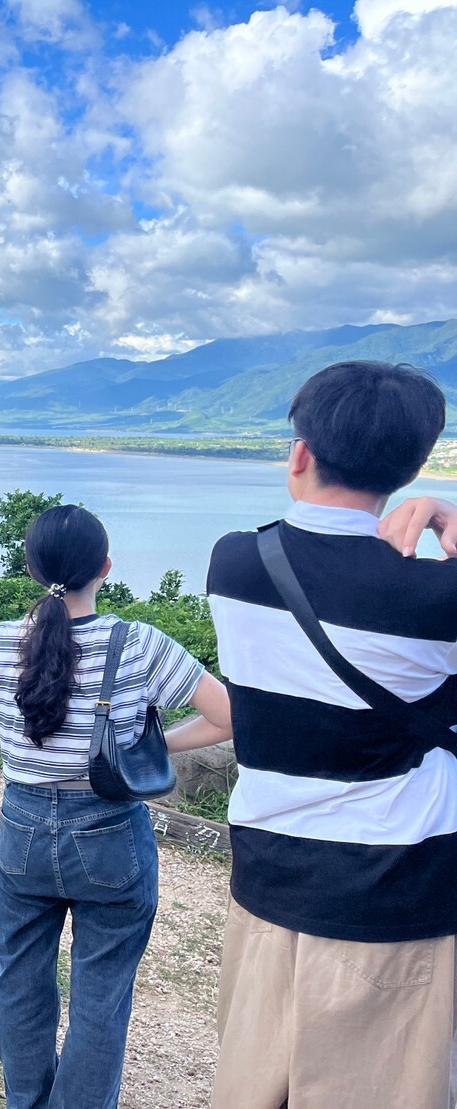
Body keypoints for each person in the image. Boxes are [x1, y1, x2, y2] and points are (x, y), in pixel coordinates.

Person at [206, 359, 457, 1109]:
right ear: (411, 467)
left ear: (300, 453)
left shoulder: (235, 562)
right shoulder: (434, 598)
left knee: (255, 1084)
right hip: (396, 896)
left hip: (266, 879)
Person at [0, 505, 232, 1108]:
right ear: (106, 568)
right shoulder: (138, 644)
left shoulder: (7, 639)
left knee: (19, 980)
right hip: (109, 830)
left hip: (22, 829)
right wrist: (150, 743)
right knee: (101, 995)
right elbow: (228, 716)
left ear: (32, 569)